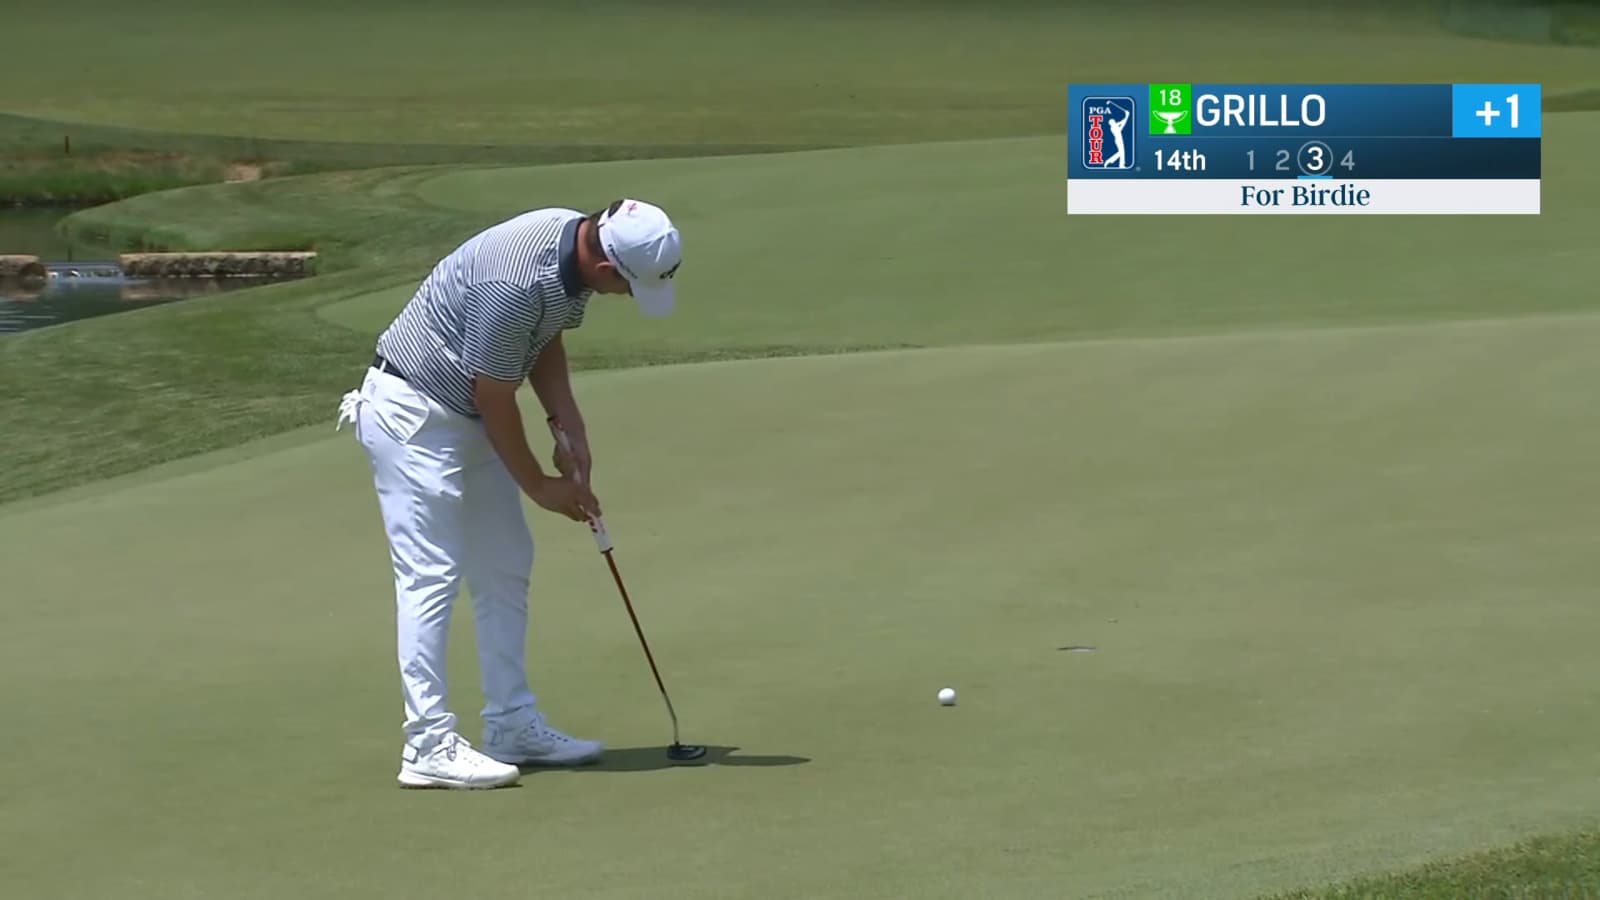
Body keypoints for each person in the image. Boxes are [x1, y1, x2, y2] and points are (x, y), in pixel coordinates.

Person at [335, 198, 683, 789]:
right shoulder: (513, 281)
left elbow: (542, 342)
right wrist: (541, 487)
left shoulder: (571, 247)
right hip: (414, 415)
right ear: (604, 268)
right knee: (431, 576)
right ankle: (427, 745)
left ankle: (511, 723)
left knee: (504, 565)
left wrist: (567, 427)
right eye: (627, 288)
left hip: (464, 412)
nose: (624, 297)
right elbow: (494, 393)